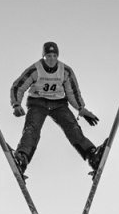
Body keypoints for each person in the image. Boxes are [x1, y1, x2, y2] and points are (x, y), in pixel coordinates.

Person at [10, 41, 105, 175]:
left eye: (54, 56)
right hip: (38, 103)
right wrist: (16, 104)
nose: (52, 59)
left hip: (58, 104)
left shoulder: (65, 71)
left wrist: (81, 109)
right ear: (43, 56)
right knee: (32, 129)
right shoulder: (35, 69)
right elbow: (18, 86)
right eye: (48, 56)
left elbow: (73, 92)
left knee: (72, 127)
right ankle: (22, 158)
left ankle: (92, 156)